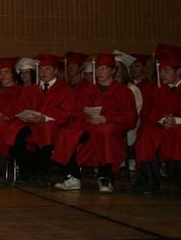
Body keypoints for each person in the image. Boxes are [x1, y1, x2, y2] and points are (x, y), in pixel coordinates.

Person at [53, 54, 137, 193]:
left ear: (113, 71)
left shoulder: (123, 92)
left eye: (104, 68)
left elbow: (129, 117)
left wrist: (106, 119)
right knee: (67, 133)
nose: (100, 72)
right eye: (98, 68)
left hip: (112, 127)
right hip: (89, 124)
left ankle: (106, 177)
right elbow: (77, 111)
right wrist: (88, 118)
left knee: (105, 132)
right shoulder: (88, 89)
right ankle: (73, 176)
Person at [4, 53, 76, 185]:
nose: (44, 72)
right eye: (41, 69)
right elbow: (20, 106)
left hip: (52, 124)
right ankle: (27, 170)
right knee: (13, 131)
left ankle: (41, 172)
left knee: (46, 131)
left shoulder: (64, 89)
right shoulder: (31, 89)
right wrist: (25, 116)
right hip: (31, 123)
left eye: (47, 69)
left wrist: (45, 117)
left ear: (55, 71)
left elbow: (66, 111)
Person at [134, 51, 181, 194]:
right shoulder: (157, 89)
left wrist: (176, 121)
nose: (162, 75)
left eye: (166, 70)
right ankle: (150, 180)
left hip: (178, 126)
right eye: (161, 71)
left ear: (179, 71)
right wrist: (162, 120)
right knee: (146, 135)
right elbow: (147, 110)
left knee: (176, 134)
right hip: (160, 124)